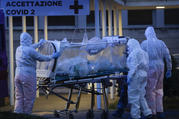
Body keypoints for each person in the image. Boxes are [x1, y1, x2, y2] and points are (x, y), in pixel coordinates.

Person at [14, 32, 61, 114]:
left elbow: (30, 48)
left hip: (17, 75)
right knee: (29, 97)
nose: (31, 41)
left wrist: (39, 44)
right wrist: (53, 56)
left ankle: (18, 113)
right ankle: (27, 115)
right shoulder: (30, 51)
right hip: (27, 75)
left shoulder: (19, 48)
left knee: (19, 97)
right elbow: (41, 58)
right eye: (30, 40)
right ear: (28, 40)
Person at [141, 26, 172, 119]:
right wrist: (169, 69)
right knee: (159, 89)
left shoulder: (144, 43)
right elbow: (168, 56)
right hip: (161, 67)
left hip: (150, 67)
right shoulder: (161, 43)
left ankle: (152, 112)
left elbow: (140, 57)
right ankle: (160, 111)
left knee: (150, 90)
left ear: (146, 34)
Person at [127, 39, 153, 119]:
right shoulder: (144, 53)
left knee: (134, 96)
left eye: (129, 46)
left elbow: (133, 67)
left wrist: (129, 78)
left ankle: (135, 116)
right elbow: (147, 65)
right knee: (141, 95)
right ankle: (147, 112)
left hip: (136, 75)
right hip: (144, 74)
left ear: (132, 45)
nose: (128, 48)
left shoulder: (134, 53)